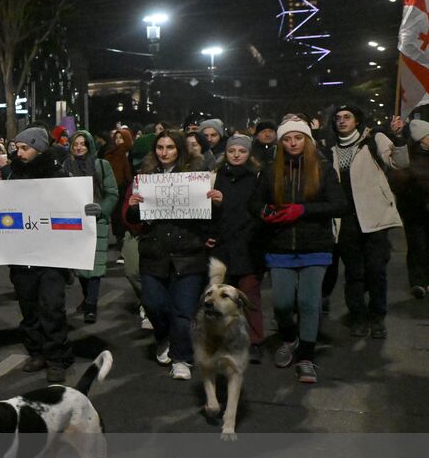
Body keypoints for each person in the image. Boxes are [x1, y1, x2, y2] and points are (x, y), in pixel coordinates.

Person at [261, 118, 347, 384]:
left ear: (307, 140)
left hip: (315, 246)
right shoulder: (270, 170)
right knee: (282, 303)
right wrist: (264, 211)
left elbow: (340, 205)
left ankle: (307, 357)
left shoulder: (323, 168)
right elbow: (256, 201)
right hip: (280, 245)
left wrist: (304, 210)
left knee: (309, 303)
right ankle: (289, 338)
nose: (292, 143)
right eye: (286, 139)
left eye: (298, 138)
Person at [123, 130, 211, 381]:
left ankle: (182, 358)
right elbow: (134, 220)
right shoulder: (146, 177)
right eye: (160, 147)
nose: (164, 152)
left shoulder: (195, 177)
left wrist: (214, 203)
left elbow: (208, 218)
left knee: (183, 310)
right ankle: (164, 337)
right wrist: (132, 208)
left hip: (188, 252)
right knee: (153, 303)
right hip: (155, 251)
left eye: (170, 147)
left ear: (180, 150)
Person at [322, 105, 408, 339]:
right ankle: (358, 316)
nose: (341, 121)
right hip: (345, 220)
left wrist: (398, 137)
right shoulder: (330, 149)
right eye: (338, 118)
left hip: (373, 216)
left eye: (347, 117)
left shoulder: (373, 140)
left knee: (376, 271)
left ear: (357, 121)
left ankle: (377, 317)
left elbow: (399, 163)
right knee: (354, 272)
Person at [7, 126, 82, 383]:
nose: (20, 153)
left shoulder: (58, 175)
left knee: (51, 307)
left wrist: (88, 211)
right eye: (17, 148)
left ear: (38, 148)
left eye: (25, 148)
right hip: (22, 253)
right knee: (28, 307)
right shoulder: (13, 176)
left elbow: (73, 209)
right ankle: (37, 352)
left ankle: (57, 358)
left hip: (52, 255)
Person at [207, 134, 266, 357]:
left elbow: (255, 209)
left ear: (249, 154)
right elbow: (208, 212)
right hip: (224, 245)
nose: (236, 155)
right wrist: (216, 207)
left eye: (241, 151)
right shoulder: (217, 176)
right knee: (222, 297)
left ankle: (255, 341)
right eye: (232, 151)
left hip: (249, 245)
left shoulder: (257, 177)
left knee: (249, 295)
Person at [64, 128, 119, 324]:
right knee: (80, 265)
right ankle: (87, 298)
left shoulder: (101, 165)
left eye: (83, 144)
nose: (79, 147)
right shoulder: (66, 166)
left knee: (94, 266)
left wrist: (102, 209)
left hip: (97, 221)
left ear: (89, 146)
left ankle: (91, 305)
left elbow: (112, 193)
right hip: (74, 222)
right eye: (75, 144)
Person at [398, 119, 429, 298]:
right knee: (417, 244)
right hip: (414, 208)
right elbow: (401, 179)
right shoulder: (409, 155)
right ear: (421, 138)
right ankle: (418, 282)